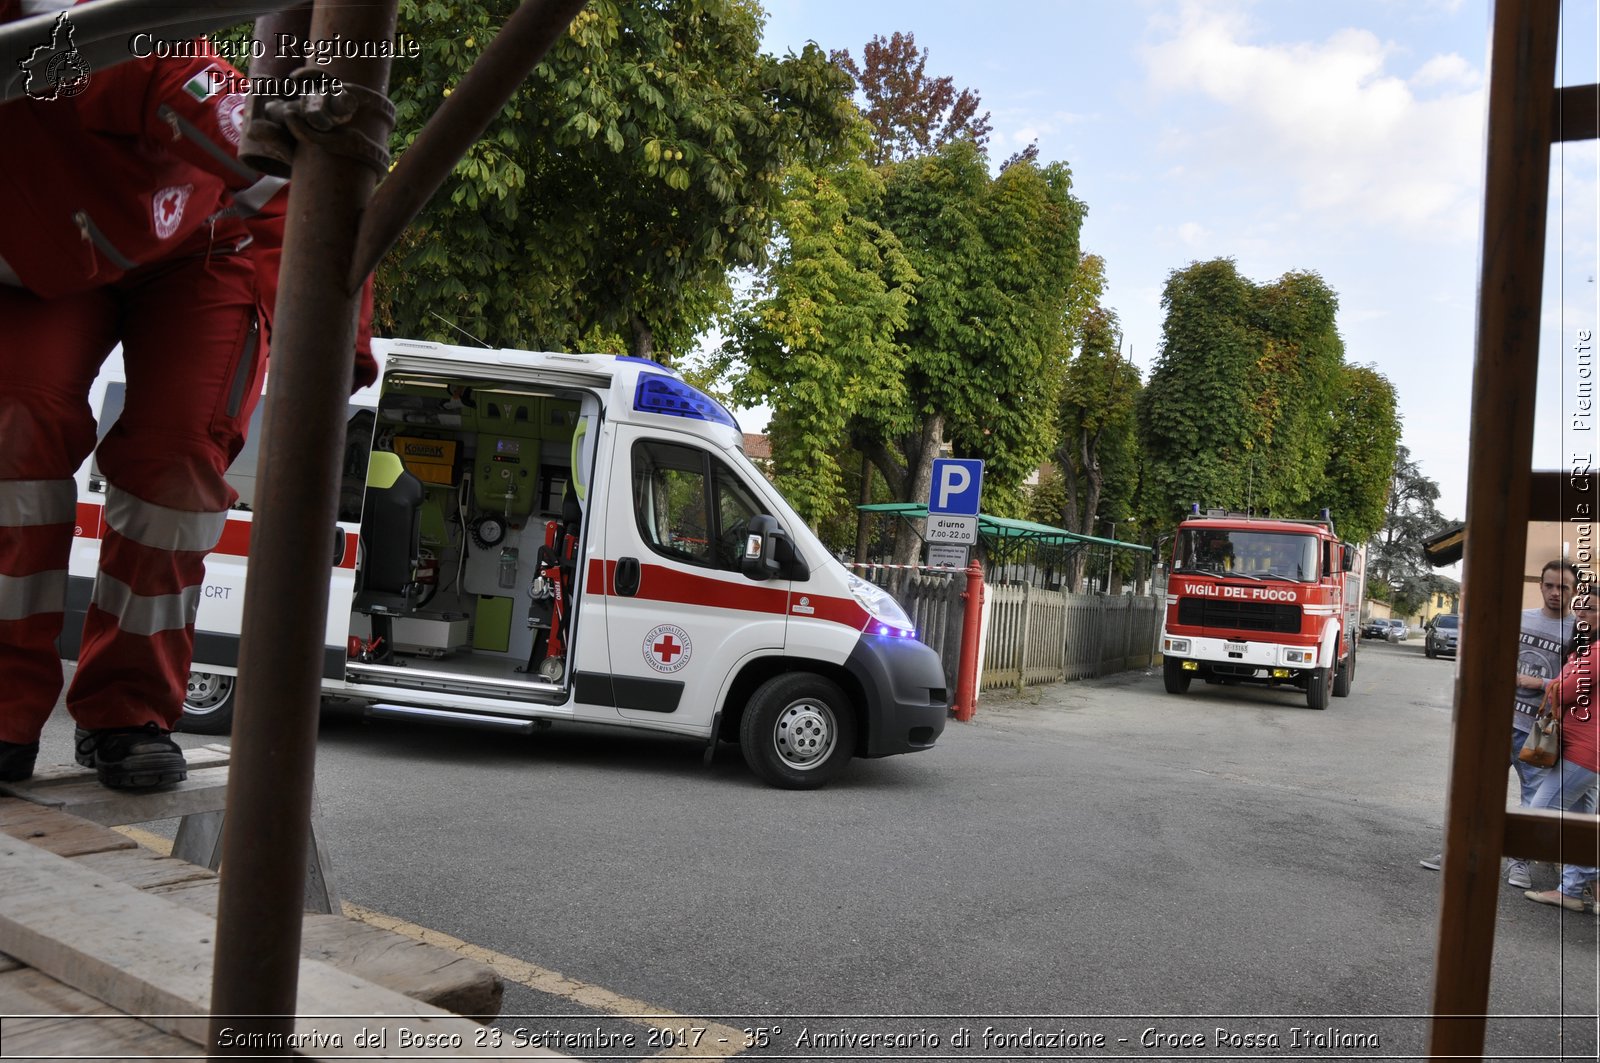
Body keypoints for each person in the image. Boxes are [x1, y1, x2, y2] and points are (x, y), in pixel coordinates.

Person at [0, 1, 372, 789]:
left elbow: (309, 175)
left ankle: (127, 710)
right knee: (15, 428)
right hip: (50, 260)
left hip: (205, 247)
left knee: (175, 462)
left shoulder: (145, 55)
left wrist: (344, 337)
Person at [1420, 559, 1577, 881]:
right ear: (1540, 586)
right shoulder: (1519, 620)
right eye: (1549, 585)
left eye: (1563, 587)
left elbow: (1580, 681)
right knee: (1474, 792)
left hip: (1540, 731)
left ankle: (1519, 862)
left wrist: (1542, 684)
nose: (1555, 593)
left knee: (1534, 800)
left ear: (1574, 591)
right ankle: (1456, 851)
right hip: (1497, 724)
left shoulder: (1578, 631)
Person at [1523, 590, 1600, 910]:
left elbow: (1564, 690)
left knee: (1538, 815)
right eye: (1579, 609)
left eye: (1591, 609)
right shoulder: (1586, 650)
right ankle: (1571, 890)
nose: (1582, 614)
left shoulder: (1595, 651)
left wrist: (1558, 679)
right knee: (1582, 825)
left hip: (1583, 752)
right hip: (1584, 752)